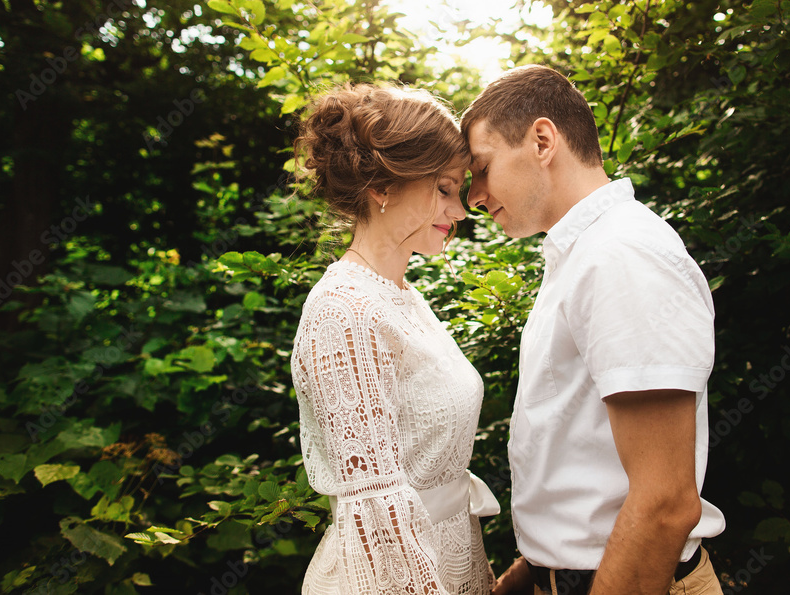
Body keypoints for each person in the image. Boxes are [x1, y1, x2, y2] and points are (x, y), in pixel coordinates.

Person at [462, 65, 726, 595]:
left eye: (483, 168)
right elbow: (582, 470)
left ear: (542, 140)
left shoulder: (622, 257)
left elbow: (665, 502)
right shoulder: (582, 256)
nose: (473, 196)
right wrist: (530, 575)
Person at [290, 83, 499, 594]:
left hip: (448, 556)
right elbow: (377, 502)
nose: (460, 211)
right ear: (382, 187)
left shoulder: (401, 294)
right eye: (444, 189)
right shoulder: (343, 310)